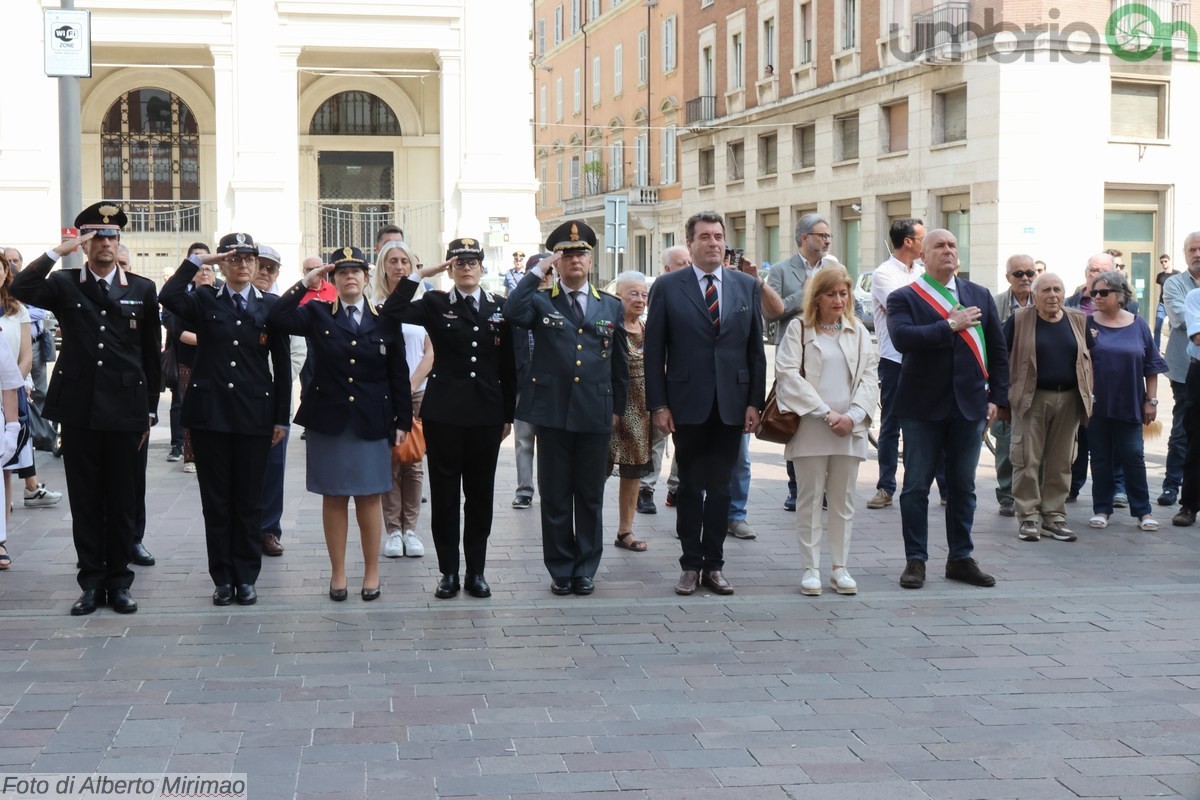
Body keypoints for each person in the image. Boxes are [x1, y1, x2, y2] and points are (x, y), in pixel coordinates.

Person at [11, 202, 161, 615]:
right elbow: (18, 290)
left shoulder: (142, 289)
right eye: (95, 237)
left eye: (111, 237)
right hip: (79, 410)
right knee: (86, 499)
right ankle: (92, 582)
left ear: (120, 242)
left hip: (127, 410)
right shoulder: (64, 283)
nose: (105, 244)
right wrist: (57, 251)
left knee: (123, 498)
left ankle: (120, 582)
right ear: (84, 243)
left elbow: (151, 356)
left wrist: (150, 411)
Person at [271, 247, 411, 601]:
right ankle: (337, 574)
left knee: (368, 498)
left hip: (371, 420)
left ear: (366, 278)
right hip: (328, 419)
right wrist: (306, 282)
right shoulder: (317, 313)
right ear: (332, 279)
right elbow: (276, 318)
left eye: (357, 271)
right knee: (334, 498)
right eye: (342, 271)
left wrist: (403, 420)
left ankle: (371, 573)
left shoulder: (384, 318)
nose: (350, 276)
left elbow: (398, 373)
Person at [159, 233, 292, 606]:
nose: (244, 265)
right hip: (210, 414)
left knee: (249, 500)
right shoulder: (204, 299)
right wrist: (202, 262)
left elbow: (281, 367)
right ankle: (222, 577)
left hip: (254, 415)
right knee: (216, 501)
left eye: (249, 258)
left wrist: (281, 418)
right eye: (235, 258)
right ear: (224, 263)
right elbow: (167, 297)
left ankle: (246, 577)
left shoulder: (271, 306)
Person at [381, 238, 513, 599]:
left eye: (473, 261)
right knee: (444, 496)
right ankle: (449, 573)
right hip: (445, 414)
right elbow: (390, 311)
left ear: (483, 267)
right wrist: (421, 274)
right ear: (450, 268)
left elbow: (510, 366)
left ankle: (477, 571)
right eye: (459, 261)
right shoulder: (435, 303)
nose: (466, 266)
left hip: (486, 414)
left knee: (480, 496)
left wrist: (509, 414)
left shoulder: (500, 308)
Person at [645, 211, 766, 597]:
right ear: (691, 242)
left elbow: (755, 350)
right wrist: (658, 403)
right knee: (691, 485)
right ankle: (689, 564)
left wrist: (755, 403)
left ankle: (714, 565)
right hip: (686, 402)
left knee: (721, 489)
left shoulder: (746, 286)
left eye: (719, 236)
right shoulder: (667, 287)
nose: (714, 243)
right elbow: (653, 351)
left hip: (732, 403)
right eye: (705, 237)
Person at [505, 221, 628, 596]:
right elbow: (512, 312)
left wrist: (618, 410)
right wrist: (537, 272)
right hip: (553, 412)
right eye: (567, 254)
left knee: (589, 495)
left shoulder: (611, 305)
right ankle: (561, 568)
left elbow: (619, 365)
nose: (575, 260)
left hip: (595, 411)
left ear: (591, 260)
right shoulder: (541, 301)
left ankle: (585, 567)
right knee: (556, 494)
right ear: (556, 262)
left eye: (581, 254)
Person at [887, 228, 1008, 590]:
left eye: (953, 245)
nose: (948, 251)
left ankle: (960, 558)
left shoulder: (979, 295)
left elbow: (999, 352)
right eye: (939, 246)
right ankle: (916, 560)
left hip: (970, 405)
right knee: (916, 487)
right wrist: (949, 325)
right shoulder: (904, 297)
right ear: (922, 256)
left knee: (963, 487)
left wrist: (997, 398)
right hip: (922, 406)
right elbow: (903, 338)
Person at [775, 265, 878, 596]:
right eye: (831, 293)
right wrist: (825, 413)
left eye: (843, 293)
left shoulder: (858, 331)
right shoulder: (799, 329)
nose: (838, 299)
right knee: (808, 499)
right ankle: (810, 568)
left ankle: (839, 567)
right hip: (810, 427)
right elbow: (787, 375)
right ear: (816, 297)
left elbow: (869, 377)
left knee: (843, 501)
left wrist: (854, 414)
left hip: (849, 428)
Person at [999, 273, 1092, 542]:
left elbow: (1088, 358)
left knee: (1062, 460)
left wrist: (1088, 396)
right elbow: (1001, 356)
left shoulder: (1077, 319)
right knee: (1027, 458)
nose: (1053, 295)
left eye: (1058, 290)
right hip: (1031, 399)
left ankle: (1053, 517)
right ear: (1035, 295)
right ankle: (1028, 517)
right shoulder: (1019, 320)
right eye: (1047, 290)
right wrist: (1002, 398)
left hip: (1069, 399)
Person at [765, 213, 839, 511]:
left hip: (830, 354)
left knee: (826, 419)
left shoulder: (835, 268)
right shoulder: (782, 271)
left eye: (829, 236)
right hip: (795, 358)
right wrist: (807, 291)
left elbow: (850, 307)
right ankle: (796, 488)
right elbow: (772, 312)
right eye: (822, 235)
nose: (827, 240)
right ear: (804, 238)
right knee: (796, 421)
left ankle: (822, 488)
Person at [1085, 270, 1166, 531]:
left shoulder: (1139, 324)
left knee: (1133, 455)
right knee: (1099, 458)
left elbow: (1151, 366)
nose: (1096, 296)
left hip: (1130, 402)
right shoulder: (1087, 324)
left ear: (1120, 295)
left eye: (1103, 292)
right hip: (1096, 405)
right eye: (1094, 292)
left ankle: (1143, 511)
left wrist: (1151, 401)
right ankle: (1102, 509)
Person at [372, 240, 431, 560]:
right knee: (391, 462)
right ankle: (393, 530)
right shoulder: (376, 303)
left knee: (414, 462)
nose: (399, 267)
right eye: (392, 261)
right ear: (383, 266)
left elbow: (430, 353)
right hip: (385, 394)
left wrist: (408, 386)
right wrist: (395, 389)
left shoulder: (424, 303)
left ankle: (411, 529)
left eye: (404, 261)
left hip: (417, 392)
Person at [252, 245, 307, 557]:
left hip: (275, 399)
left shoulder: (284, 308)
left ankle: (269, 530)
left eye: (271, 269)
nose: (264, 272)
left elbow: (297, 353)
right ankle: (246, 529)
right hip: (242, 401)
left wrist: (271, 379)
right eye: (260, 265)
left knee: (273, 469)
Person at [867, 218, 925, 511]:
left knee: (930, 421)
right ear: (908, 242)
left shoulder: (925, 272)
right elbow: (904, 310)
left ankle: (934, 485)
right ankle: (885, 487)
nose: (925, 244)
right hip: (895, 359)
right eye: (922, 238)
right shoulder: (884, 274)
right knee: (891, 424)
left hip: (926, 356)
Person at [1067, 253, 1131, 505]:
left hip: (1113, 382)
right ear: (1086, 274)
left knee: (1114, 440)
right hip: (1081, 381)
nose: (1098, 275)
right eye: (1094, 270)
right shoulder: (1071, 301)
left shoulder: (1129, 307)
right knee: (1080, 436)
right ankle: (1072, 485)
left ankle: (1118, 487)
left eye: (1104, 270)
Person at [640, 244, 692, 514]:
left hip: (688, 386)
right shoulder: (664, 289)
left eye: (689, 261)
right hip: (665, 380)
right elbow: (654, 347)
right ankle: (646, 488)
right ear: (668, 269)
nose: (688, 266)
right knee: (658, 438)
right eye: (681, 263)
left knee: (684, 443)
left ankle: (676, 488)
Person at [990, 254, 1038, 518]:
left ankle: (1034, 493)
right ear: (1008, 277)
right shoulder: (996, 304)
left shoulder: (1045, 300)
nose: (1025, 279)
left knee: (1036, 441)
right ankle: (1007, 495)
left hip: (1037, 383)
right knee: (1006, 442)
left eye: (1030, 273)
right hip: (1005, 383)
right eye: (1018, 274)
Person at [608, 271, 652, 553]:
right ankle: (585, 528)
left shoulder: (648, 329)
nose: (639, 300)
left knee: (633, 470)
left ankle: (625, 530)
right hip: (612, 408)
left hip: (641, 410)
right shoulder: (608, 328)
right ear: (618, 298)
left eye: (644, 295)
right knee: (597, 468)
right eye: (633, 294)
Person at [164, 256, 218, 475]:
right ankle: (190, 456)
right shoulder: (186, 300)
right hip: (189, 361)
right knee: (189, 409)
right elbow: (178, 332)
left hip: (216, 363)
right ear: (193, 274)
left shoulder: (221, 298)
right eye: (200, 269)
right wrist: (212, 340)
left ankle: (211, 453)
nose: (204, 273)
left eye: (209, 269)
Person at [510, 253, 553, 511]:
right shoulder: (519, 306)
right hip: (524, 384)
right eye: (539, 272)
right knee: (523, 441)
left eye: (549, 272)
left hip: (551, 387)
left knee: (549, 444)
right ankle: (524, 489)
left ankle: (549, 489)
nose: (544, 277)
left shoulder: (558, 304)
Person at [1160, 239, 1199, 512]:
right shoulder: (1175, 283)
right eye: (1192, 250)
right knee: (1183, 428)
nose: (1197, 254)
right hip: (1186, 367)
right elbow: (1180, 319)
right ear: (1185, 255)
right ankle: (1172, 485)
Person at [1156, 253, 1174, 351]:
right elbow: (1160, 289)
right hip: (1162, 304)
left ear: (1169, 261)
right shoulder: (1160, 276)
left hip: (1172, 304)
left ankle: (1172, 349)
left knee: (1173, 329)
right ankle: (1155, 350)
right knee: (1157, 327)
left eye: (1165, 261)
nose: (1164, 264)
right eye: (1162, 262)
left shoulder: (1177, 274)